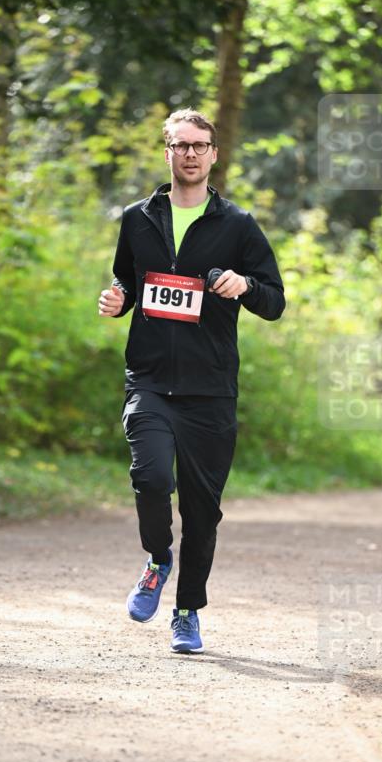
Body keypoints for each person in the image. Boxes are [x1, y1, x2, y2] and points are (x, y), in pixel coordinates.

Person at [98, 108, 285, 654]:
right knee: (151, 478)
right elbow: (127, 280)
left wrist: (243, 285)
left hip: (210, 389)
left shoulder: (238, 225)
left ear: (214, 154)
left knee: (202, 512)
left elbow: (274, 302)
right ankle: (158, 558)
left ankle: (187, 611)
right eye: (181, 145)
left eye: (200, 146)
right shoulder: (137, 218)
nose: (191, 154)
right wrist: (118, 299)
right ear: (167, 152)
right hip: (150, 380)